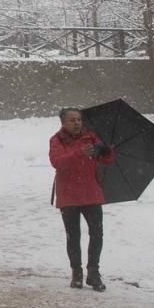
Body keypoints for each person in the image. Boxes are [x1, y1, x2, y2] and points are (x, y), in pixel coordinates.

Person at [49, 107, 115, 291]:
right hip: (69, 195)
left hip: (91, 193)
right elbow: (57, 162)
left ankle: (93, 273)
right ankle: (76, 273)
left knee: (97, 233)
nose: (77, 123)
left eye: (78, 119)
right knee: (73, 235)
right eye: (72, 120)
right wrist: (80, 153)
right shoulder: (56, 140)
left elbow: (106, 161)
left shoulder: (91, 137)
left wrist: (106, 151)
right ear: (63, 122)